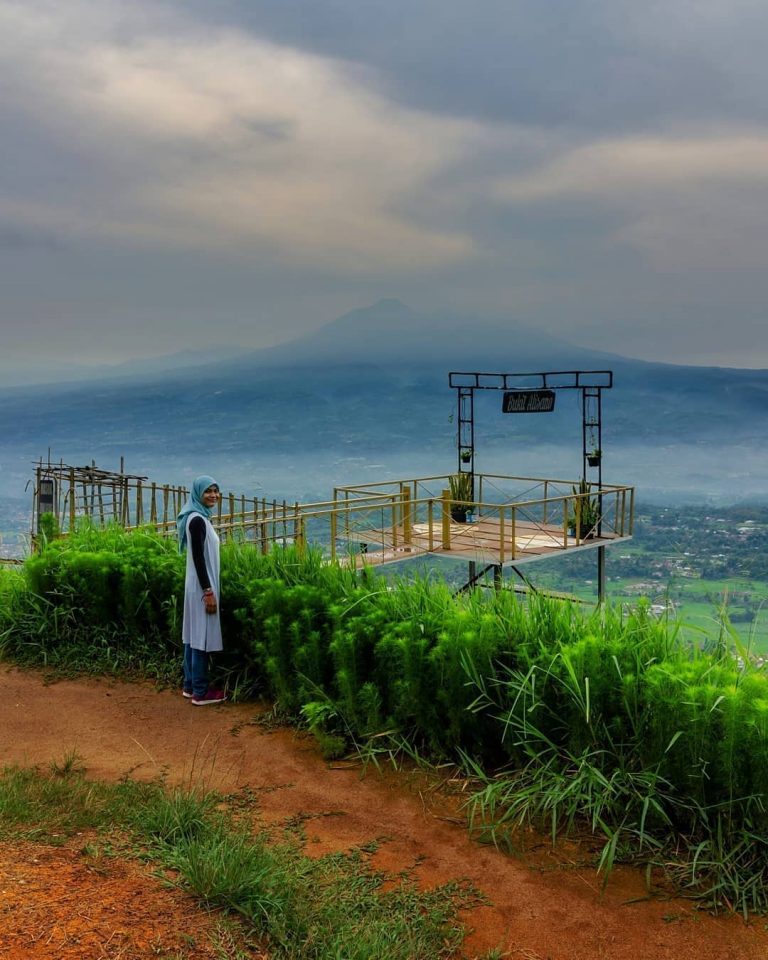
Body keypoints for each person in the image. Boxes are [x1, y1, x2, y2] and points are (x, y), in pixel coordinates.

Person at [176, 476, 227, 705]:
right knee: (200, 638)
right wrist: (207, 591)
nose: (213, 495)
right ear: (198, 493)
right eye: (208, 491)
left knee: (191, 634)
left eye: (216, 490)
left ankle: (190, 685)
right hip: (201, 586)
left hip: (195, 585)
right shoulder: (197, 520)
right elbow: (198, 557)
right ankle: (200, 691)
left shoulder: (196, 517)